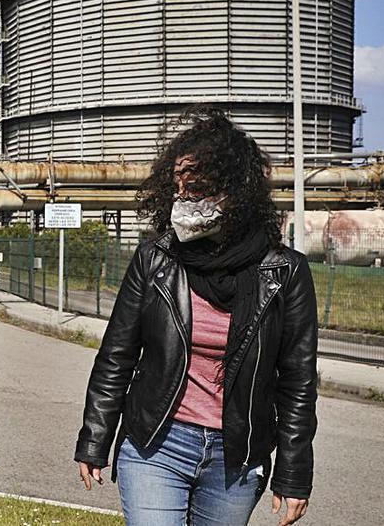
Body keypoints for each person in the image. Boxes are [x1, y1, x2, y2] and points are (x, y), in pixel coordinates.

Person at [74, 108, 317, 526]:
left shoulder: (285, 272)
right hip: (156, 443)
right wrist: (95, 437)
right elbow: (116, 355)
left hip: (236, 455)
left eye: (199, 187)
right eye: (178, 187)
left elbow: (297, 381)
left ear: (235, 191)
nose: (185, 199)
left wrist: (294, 474)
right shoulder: (156, 260)